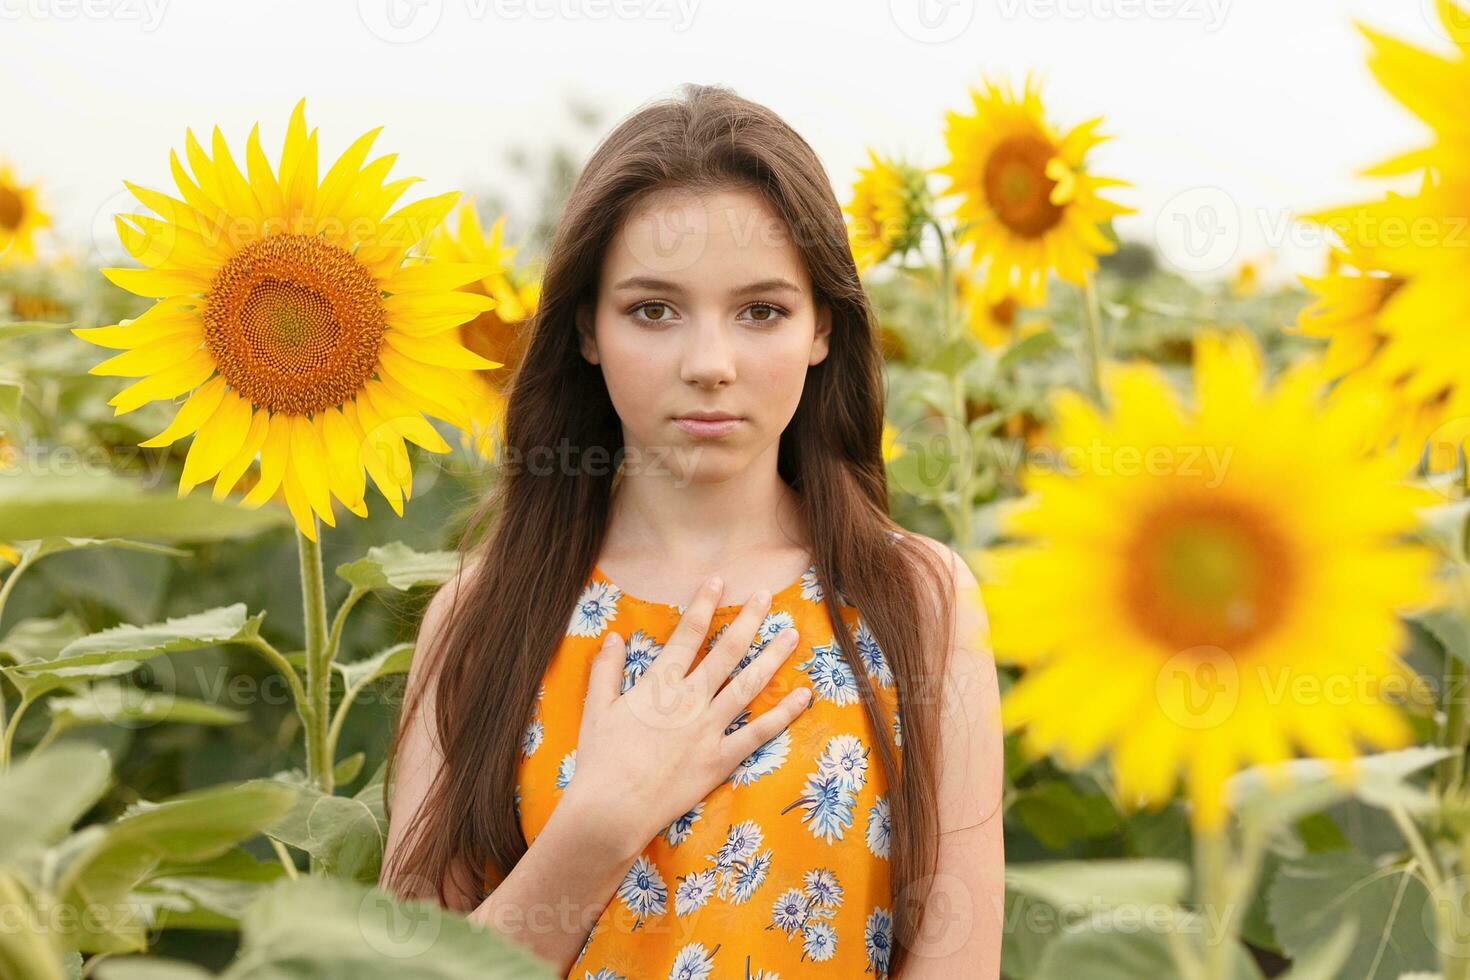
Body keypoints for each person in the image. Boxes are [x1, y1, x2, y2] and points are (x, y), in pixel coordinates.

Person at [379, 82, 1004, 979]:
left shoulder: (917, 602)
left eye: (761, 311)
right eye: (652, 310)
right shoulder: (482, 619)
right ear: (586, 330)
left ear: (823, 327)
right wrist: (600, 819)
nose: (709, 365)